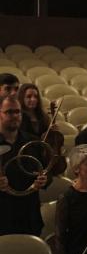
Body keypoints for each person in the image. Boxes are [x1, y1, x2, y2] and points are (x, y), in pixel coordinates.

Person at [0, 95, 48, 235]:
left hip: (29, 215)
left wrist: (44, 180)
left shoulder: (33, 142)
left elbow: (45, 172)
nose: (15, 115)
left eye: (18, 112)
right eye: (9, 112)